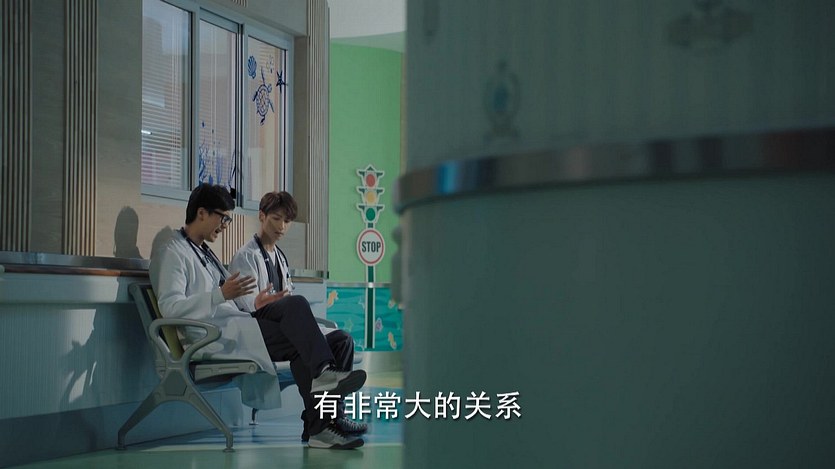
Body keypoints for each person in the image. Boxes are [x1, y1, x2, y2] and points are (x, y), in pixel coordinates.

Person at [150, 183, 366, 450]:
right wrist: (221, 295)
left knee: (336, 338)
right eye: (223, 218)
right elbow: (170, 308)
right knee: (299, 328)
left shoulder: (203, 251)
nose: (225, 225)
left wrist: (252, 303)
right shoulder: (173, 251)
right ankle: (320, 423)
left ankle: (326, 415)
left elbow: (234, 300)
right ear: (202, 213)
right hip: (212, 337)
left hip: (238, 325)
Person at [229, 191, 369, 444]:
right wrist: (261, 302)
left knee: (342, 340)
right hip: (255, 327)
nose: (282, 226)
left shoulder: (280, 257)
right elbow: (245, 305)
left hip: (280, 326)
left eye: (287, 221)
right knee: (297, 311)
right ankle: (320, 411)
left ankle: (332, 419)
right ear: (261, 216)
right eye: (276, 219)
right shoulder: (245, 256)